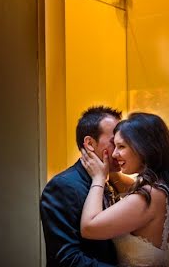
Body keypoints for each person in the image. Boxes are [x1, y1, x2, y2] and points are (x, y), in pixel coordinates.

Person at [78, 112, 169, 267]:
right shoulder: (166, 187)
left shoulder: (148, 195)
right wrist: (110, 171)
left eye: (121, 146)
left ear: (144, 148)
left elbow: (89, 228)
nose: (114, 154)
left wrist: (98, 178)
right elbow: (126, 185)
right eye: (114, 145)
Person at [40, 106, 128, 266]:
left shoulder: (116, 182)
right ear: (89, 143)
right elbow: (67, 259)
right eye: (114, 143)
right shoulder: (63, 186)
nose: (118, 151)